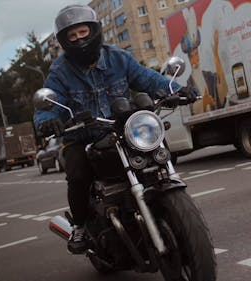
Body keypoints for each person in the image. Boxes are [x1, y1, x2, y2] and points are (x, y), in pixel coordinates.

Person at [33, 4, 196, 254]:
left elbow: (147, 78)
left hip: (122, 130)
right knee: (77, 173)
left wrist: (176, 90)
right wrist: (47, 120)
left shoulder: (118, 58)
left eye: (83, 32)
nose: (80, 39)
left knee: (157, 149)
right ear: (64, 41)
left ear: (94, 31)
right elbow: (49, 103)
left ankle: (168, 201)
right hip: (83, 136)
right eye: (72, 36)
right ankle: (79, 224)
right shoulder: (60, 71)